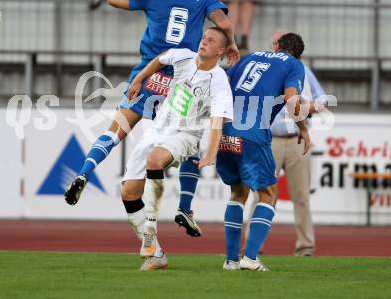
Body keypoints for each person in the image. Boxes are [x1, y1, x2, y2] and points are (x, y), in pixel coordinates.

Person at [65, 0, 239, 237]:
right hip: (180, 83)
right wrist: (233, 43)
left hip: (148, 75)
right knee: (188, 140)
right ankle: (185, 207)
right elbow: (224, 22)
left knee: (115, 131)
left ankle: (84, 172)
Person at [124, 27, 233, 270]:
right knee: (129, 193)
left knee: (154, 161)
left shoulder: (219, 81)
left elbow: (217, 122)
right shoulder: (183, 55)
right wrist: (139, 79)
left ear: (220, 51)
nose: (204, 41)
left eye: (211, 40)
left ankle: (150, 228)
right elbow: (159, 59)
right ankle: (157, 254)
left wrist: (211, 153)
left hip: (186, 134)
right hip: (156, 129)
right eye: (203, 37)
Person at [216, 32, 310, 270]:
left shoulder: (250, 56)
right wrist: (303, 128)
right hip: (252, 133)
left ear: (277, 46)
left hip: (224, 131)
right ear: (298, 54)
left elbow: (222, 83)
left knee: (238, 192)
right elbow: (291, 100)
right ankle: (249, 258)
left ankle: (230, 260)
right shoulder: (295, 65)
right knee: (269, 193)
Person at [267, 31, 327, 256]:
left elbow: (323, 99)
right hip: (270, 139)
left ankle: (305, 247)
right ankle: (254, 245)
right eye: (274, 43)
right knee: (263, 193)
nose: (275, 47)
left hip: (296, 141)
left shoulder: (304, 72)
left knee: (301, 196)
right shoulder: (269, 68)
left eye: (278, 43)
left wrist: (310, 107)